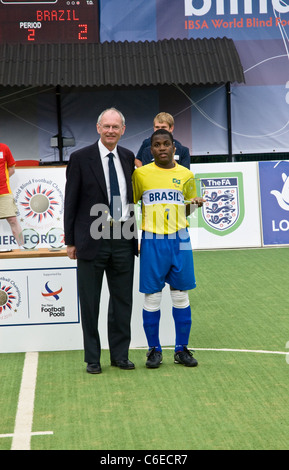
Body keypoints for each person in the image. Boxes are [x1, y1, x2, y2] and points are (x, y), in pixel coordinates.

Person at [64, 108, 138, 374]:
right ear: (98, 128)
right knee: (90, 301)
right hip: (90, 238)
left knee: (122, 301)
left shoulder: (128, 158)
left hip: (122, 237)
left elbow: (130, 199)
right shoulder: (80, 158)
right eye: (106, 126)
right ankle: (93, 358)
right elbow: (70, 201)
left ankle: (120, 355)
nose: (110, 131)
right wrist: (70, 240)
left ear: (122, 130)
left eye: (115, 127)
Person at [132, 129, 205, 369]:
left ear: (174, 147)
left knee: (180, 295)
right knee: (152, 297)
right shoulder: (140, 174)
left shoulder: (186, 175)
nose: (162, 148)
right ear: (150, 150)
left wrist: (194, 206)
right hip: (152, 240)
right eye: (157, 145)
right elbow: (131, 206)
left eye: (166, 144)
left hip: (180, 239)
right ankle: (154, 350)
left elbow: (186, 210)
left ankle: (181, 349)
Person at [0, 143, 23, 248]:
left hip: (4, 191)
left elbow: (12, 169)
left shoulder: (4, 148)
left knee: (13, 220)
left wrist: (4, 179)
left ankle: (23, 248)